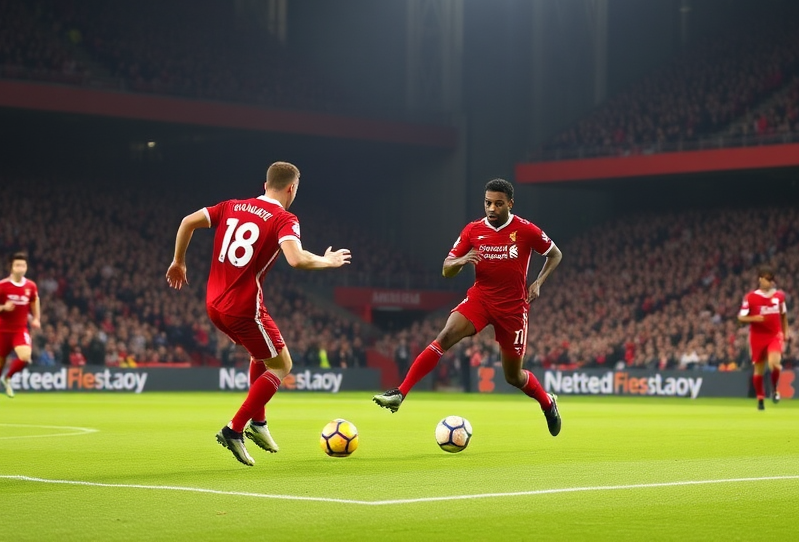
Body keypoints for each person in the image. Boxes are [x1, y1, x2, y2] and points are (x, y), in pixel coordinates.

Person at [166, 161, 350, 466]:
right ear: (291, 188)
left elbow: (187, 221)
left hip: (213, 304)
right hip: (243, 307)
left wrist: (178, 261)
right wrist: (327, 261)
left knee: (259, 356)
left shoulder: (231, 206)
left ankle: (259, 424)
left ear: (265, 185)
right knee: (282, 366)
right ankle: (234, 429)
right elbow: (296, 258)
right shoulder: (284, 218)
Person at [372, 178, 564, 435]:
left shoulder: (526, 229)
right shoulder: (473, 230)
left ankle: (547, 403)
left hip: (514, 309)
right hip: (481, 299)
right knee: (445, 336)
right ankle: (400, 393)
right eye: (488, 203)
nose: (492, 208)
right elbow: (446, 269)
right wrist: (462, 259)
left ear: (510, 204)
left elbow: (555, 253)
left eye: (498, 204)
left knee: (513, 376)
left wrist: (539, 282)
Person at [0, 252, 41, 407]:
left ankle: (7, 378)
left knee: (25, 356)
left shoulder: (31, 286)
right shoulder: (1, 286)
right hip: (2, 331)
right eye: (17, 265)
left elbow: (35, 300)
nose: (21, 268)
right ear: (11, 267)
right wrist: (3, 307)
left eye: (23, 265)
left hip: (19, 330)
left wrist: (36, 318)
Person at [737, 265, 789, 410]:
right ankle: (760, 398)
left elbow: (783, 315)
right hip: (757, 337)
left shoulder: (779, 296)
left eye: (771, 280)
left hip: (774, 335)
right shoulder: (750, 297)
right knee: (758, 370)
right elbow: (740, 317)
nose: (770, 282)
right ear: (760, 279)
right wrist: (754, 318)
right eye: (767, 279)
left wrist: (786, 332)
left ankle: (774, 389)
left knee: (774, 364)